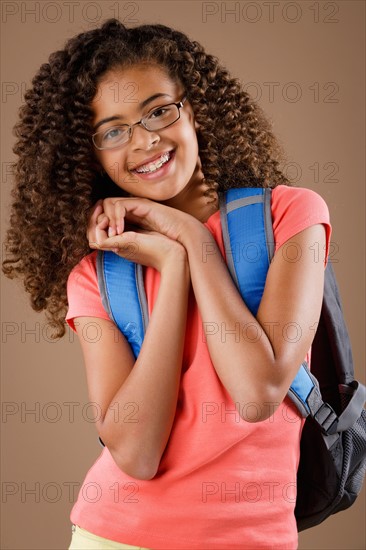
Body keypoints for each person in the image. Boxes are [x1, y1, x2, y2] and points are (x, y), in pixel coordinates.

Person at [2, 18, 332, 550]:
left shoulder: (289, 216)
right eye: (113, 130)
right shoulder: (96, 276)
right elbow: (136, 453)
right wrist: (172, 269)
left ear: (194, 107)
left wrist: (190, 240)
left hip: (254, 537)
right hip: (115, 536)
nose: (146, 139)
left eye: (159, 110)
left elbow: (258, 392)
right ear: (91, 156)